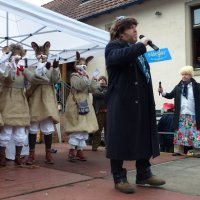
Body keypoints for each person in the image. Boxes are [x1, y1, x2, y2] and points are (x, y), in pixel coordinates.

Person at [105, 16, 165, 194]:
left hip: (141, 102)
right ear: (121, 31)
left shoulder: (135, 51)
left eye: (135, 27)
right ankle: (119, 177)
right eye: (131, 28)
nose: (135, 31)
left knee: (144, 135)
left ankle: (144, 173)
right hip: (122, 101)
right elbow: (118, 59)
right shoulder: (114, 47)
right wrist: (141, 45)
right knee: (119, 138)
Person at [26, 41, 60, 165]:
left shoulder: (51, 68)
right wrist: (40, 68)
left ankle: (48, 154)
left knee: (47, 128)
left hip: (47, 100)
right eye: (39, 54)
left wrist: (55, 68)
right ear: (36, 55)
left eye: (44, 54)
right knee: (33, 128)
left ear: (47, 54)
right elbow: (32, 79)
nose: (41, 55)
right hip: (35, 100)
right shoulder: (30, 68)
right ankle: (31, 153)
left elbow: (56, 79)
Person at [65, 52, 99, 162]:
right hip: (76, 104)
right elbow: (78, 86)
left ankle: (80, 150)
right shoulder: (74, 76)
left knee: (84, 129)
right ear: (77, 65)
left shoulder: (86, 77)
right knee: (77, 127)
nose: (83, 66)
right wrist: (85, 79)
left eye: (85, 65)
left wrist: (94, 78)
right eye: (81, 65)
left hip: (86, 103)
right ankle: (72, 150)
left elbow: (93, 89)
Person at [159, 66, 200, 157]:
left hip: (193, 114)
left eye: (186, 74)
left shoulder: (197, 86)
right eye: (182, 74)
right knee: (180, 133)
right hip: (181, 114)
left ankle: (197, 152)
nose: (184, 76)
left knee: (195, 133)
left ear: (190, 75)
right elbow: (170, 95)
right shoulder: (178, 87)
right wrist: (162, 92)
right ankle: (178, 151)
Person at [92, 75, 108, 151]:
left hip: (108, 113)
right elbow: (96, 94)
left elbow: (108, 95)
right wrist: (104, 93)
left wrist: (103, 93)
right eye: (101, 79)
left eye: (104, 79)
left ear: (106, 81)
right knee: (98, 130)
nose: (102, 80)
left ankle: (108, 146)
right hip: (99, 112)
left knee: (108, 130)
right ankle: (95, 146)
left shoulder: (109, 89)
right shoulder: (96, 88)